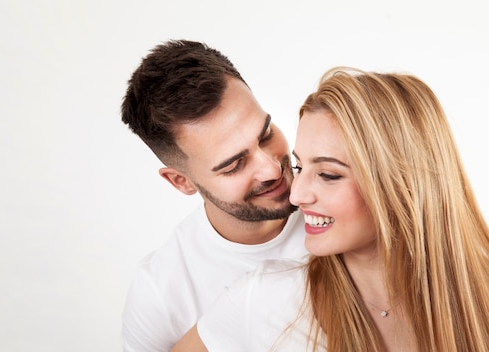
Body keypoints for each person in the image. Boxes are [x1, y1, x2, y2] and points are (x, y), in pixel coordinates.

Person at [170, 67, 489, 352]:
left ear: (401, 182)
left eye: (327, 174)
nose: (295, 195)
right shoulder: (265, 301)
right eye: (298, 166)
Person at [119, 39, 309, 351]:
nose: (272, 170)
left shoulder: (346, 206)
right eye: (234, 165)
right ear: (181, 181)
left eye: (266, 135)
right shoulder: (160, 292)